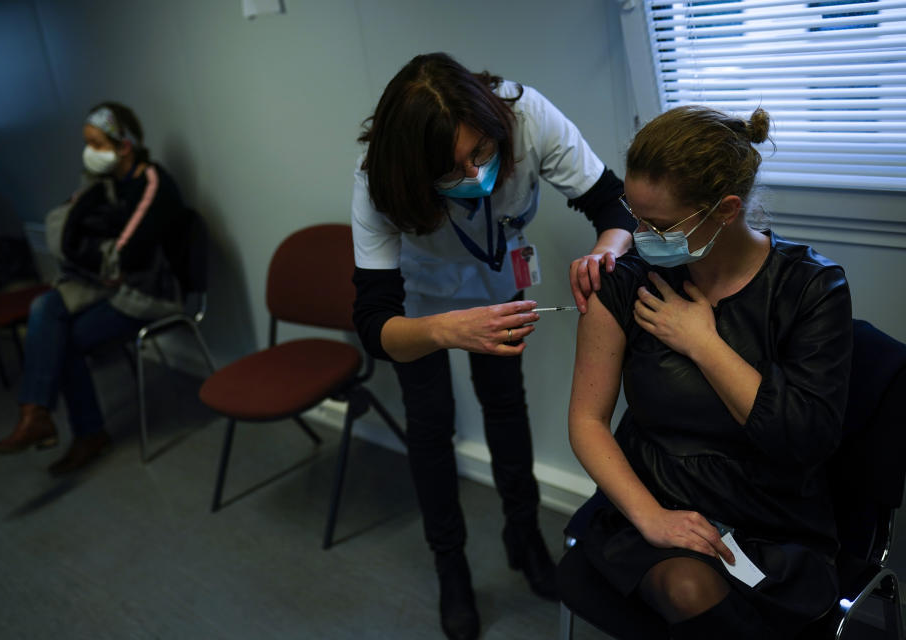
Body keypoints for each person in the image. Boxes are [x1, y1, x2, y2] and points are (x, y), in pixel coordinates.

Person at [351, 53, 634, 640]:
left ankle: (523, 535)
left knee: (506, 405)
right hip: (420, 301)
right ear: (412, 169)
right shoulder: (378, 177)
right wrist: (443, 330)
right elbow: (372, 323)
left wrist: (607, 250)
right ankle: (450, 566)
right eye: (451, 169)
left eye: (481, 152)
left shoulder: (526, 116)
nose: (476, 171)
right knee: (431, 427)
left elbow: (613, 205)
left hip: (501, 276)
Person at [558, 105, 853, 638]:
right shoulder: (626, 283)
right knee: (688, 588)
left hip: (771, 517)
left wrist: (702, 343)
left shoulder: (811, 289)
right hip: (652, 500)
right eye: (635, 215)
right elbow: (587, 421)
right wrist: (651, 516)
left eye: (660, 225)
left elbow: (804, 439)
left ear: (725, 209)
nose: (638, 235)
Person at [0, 102, 188, 476]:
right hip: (106, 286)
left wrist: (89, 253)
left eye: (96, 144)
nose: (89, 153)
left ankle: (85, 434)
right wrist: (89, 252)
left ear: (123, 145)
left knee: (60, 340)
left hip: (147, 294)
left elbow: (124, 257)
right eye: (87, 143)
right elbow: (62, 230)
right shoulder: (102, 183)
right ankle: (36, 414)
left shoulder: (153, 185)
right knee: (45, 308)